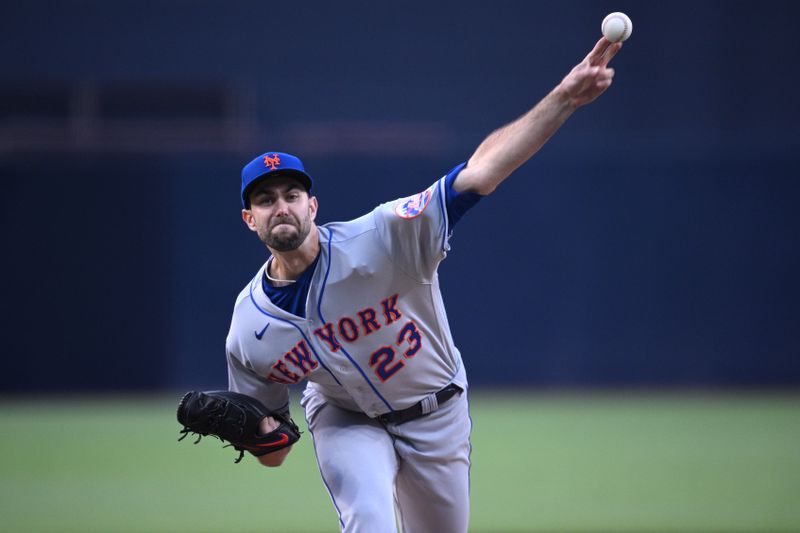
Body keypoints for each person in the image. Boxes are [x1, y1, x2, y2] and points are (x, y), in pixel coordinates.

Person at [226, 37, 621, 533]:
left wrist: (564, 98)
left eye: (291, 193)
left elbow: (481, 172)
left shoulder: (384, 236)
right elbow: (272, 450)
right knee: (369, 521)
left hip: (438, 413)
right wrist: (258, 435)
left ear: (313, 206)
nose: (280, 205)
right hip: (346, 419)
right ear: (249, 218)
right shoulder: (249, 325)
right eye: (265, 200)